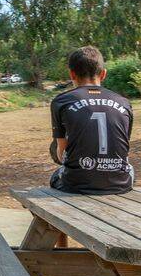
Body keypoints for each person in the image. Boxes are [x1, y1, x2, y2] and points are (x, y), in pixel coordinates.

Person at [49, 46, 134, 195]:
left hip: (76, 184)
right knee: (130, 169)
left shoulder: (61, 101)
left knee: (55, 174)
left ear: (72, 74)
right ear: (103, 74)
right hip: (120, 182)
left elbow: (61, 152)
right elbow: (124, 147)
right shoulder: (124, 102)